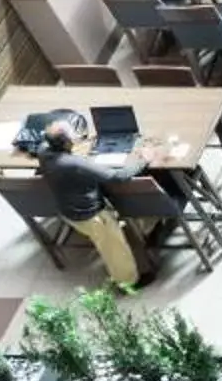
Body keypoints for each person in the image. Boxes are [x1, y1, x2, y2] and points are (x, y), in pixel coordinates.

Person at [31, 116, 145, 286]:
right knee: (114, 250)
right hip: (91, 217)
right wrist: (143, 160)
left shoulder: (43, 151)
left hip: (67, 211)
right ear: (67, 143)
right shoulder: (74, 164)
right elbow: (117, 176)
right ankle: (128, 283)